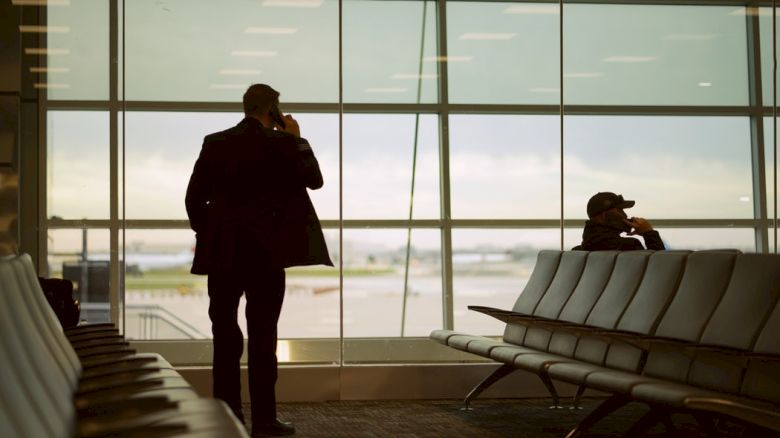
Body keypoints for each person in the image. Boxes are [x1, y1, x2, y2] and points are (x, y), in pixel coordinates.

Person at [185, 84, 332, 437]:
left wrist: (212, 234)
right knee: (263, 338)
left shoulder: (215, 142)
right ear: (274, 110)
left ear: (246, 106)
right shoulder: (282, 144)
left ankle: (228, 416)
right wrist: (298, 137)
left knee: (225, 336)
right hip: (267, 256)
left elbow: (193, 199)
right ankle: (264, 421)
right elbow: (315, 180)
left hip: (224, 256)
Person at [575, 192, 665, 251]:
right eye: (620, 210)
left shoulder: (579, 250)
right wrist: (649, 233)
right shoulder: (629, 246)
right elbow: (661, 268)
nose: (625, 215)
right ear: (602, 215)